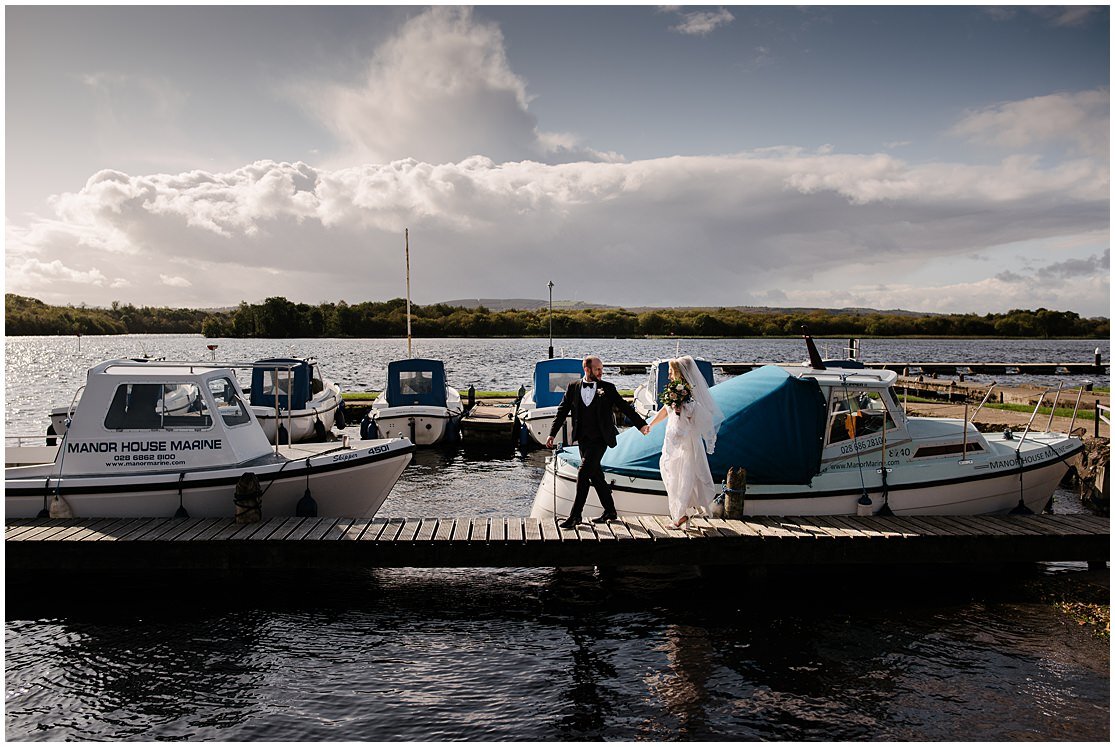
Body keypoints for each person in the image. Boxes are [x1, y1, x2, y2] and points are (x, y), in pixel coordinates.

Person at [546, 355, 650, 528]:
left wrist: (641, 425)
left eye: (601, 369)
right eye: (598, 369)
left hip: (601, 439)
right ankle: (610, 510)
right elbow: (562, 411)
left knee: (583, 473)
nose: (601, 372)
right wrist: (552, 433)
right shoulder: (573, 387)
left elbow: (624, 407)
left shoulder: (608, 388)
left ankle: (575, 515)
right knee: (596, 476)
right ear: (587, 370)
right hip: (583, 439)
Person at [645, 356, 724, 530]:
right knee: (671, 475)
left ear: (681, 373)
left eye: (672, 372)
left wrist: (685, 411)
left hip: (685, 443)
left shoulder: (689, 398)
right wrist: (650, 425)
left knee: (683, 477)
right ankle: (682, 514)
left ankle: (680, 516)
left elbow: (702, 419)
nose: (670, 376)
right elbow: (664, 412)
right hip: (671, 441)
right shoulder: (674, 394)